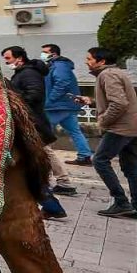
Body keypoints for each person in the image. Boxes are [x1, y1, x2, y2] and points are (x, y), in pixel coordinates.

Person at [78, 48, 137, 220]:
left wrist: (103, 121)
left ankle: (121, 202)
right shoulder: (115, 73)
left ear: (101, 61)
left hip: (120, 129)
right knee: (131, 169)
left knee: (100, 161)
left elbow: (119, 103)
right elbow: (114, 101)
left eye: (90, 59)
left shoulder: (107, 75)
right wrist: (92, 102)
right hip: (131, 128)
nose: (87, 61)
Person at [1, 46, 66, 220]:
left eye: (8, 58)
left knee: (32, 169)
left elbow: (33, 97)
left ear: (19, 58)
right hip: (30, 126)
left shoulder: (29, 74)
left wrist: (10, 93)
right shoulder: (23, 73)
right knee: (31, 170)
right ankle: (52, 205)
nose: (6, 62)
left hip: (33, 126)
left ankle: (53, 202)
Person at [41, 44, 91, 179]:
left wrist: (50, 100)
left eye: (45, 52)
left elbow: (61, 83)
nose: (42, 54)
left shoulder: (60, 66)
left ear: (54, 54)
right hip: (64, 105)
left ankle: (42, 157)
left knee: (43, 133)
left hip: (58, 106)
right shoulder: (57, 65)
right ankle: (84, 155)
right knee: (74, 131)